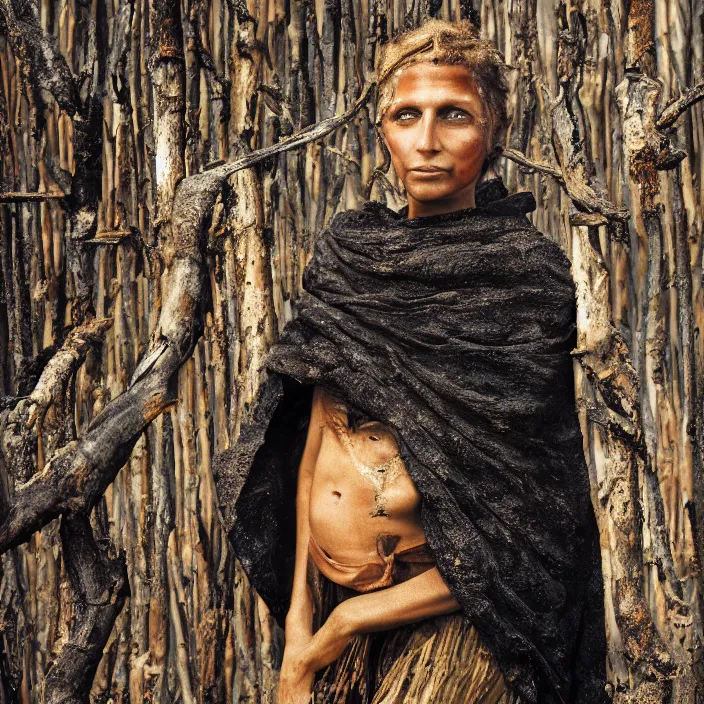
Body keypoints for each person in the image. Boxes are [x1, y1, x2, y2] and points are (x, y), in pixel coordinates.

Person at [213, 18, 607, 704]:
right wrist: (300, 640)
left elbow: (522, 519)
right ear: (382, 135)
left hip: (455, 618)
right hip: (335, 613)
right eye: (406, 116)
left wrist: (346, 621)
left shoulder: (522, 277)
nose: (426, 141)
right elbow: (314, 448)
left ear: (495, 137)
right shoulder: (351, 261)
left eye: (454, 115)